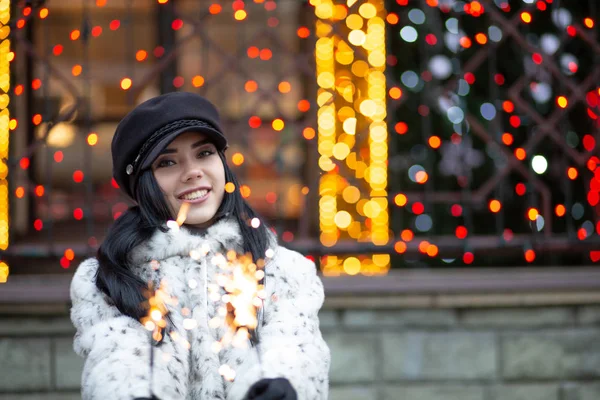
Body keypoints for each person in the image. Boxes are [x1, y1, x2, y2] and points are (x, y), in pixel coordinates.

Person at [69, 92, 331, 400]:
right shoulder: (108, 279)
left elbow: (294, 348)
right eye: (167, 162)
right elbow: (118, 358)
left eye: (204, 153)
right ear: (142, 183)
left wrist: (274, 386)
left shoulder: (282, 268)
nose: (193, 171)